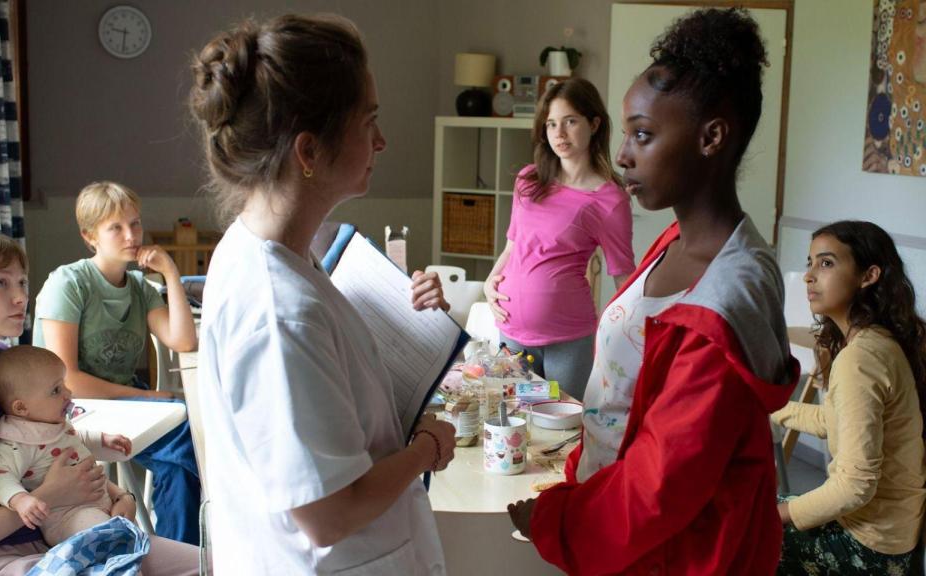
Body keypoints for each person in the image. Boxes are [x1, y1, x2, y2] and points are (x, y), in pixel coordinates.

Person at [507, 8, 799, 574]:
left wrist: (554, 522)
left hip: (674, 553)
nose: (622, 154)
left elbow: (658, 486)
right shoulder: (673, 242)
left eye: (643, 134)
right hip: (621, 524)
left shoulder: (724, 300)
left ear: (711, 136)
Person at [189, 14, 457, 575]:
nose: (381, 141)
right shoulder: (278, 309)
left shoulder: (270, 251)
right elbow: (330, 512)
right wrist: (426, 449)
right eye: (369, 122)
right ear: (308, 152)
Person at [0, 229, 198, 575]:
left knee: (217, 565)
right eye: (0, 283)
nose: (19, 297)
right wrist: (49, 497)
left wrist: (121, 497)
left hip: (47, 538)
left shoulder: (4, 366)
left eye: (23, 283)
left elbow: (59, 446)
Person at [33, 181, 202, 544]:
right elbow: (67, 380)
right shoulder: (69, 283)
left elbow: (184, 340)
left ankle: (179, 555)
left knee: (184, 454)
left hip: (123, 401)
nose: (131, 235)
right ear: (89, 236)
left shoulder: (140, 287)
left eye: (135, 223)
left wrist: (170, 272)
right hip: (66, 406)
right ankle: (187, 550)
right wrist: (149, 397)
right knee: (188, 442)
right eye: (116, 227)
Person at [773, 221, 926, 575]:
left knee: (738, 530)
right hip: (894, 532)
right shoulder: (877, 341)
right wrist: (771, 408)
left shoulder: (861, 359)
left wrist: (777, 516)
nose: (810, 276)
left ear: (868, 275)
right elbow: (835, 421)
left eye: (826, 264)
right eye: (810, 263)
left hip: (871, 546)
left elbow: (855, 486)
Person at [484, 77, 634, 401]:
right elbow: (513, 245)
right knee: (515, 419)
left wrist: (643, 338)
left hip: (567, 340)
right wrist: (489, 282)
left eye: (570, 121)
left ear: (594, 124)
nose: (559, 134)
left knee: (563, 433)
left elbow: (624, 276)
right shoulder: (528, 180)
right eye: (551, 124)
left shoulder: (608, 199)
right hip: (511, 331)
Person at [0, 345, 137, 546]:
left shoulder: (53, 423)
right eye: (56, 390)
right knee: (112, 541)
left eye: (64, 385)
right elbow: (1, 477)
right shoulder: (16, 442)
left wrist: (102, 439)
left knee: (132, 540)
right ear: (21, 407)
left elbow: (75, 438)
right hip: (67, 518)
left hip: (101, 503)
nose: (68, 393)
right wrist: (21, 500)